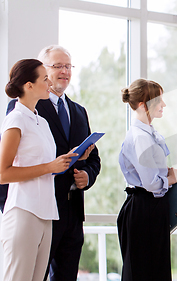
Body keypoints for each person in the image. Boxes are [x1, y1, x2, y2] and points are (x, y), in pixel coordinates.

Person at [8, 45, 101, 281]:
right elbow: (11, 163)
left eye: (68, 66)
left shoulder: (79, 111)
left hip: (71, 210)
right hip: (35, 206)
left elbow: (92, 157)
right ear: (42, 72)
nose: (65, 71)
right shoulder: (26, 108)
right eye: (58, 66)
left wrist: (86, 174)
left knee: (64, 275)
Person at [0, 59, 78, 281]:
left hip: (46, 213)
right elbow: (3, 173)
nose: (49, 83)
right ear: (28, 85)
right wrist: (49, 167)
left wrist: (69, 159)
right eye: (44, 79)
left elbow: (46, 165)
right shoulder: (15, 119)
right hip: (24, 211)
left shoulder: (41, 122)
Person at [117, 78, 177, 281]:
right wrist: (171, 178)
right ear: (141, 104)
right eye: (158, 100)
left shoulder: (149, 134)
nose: (163, 104)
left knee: (154, 270)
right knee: (144, 271)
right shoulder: (141, 137)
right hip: (144, 208)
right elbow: (152, 184)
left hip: (150, 207)